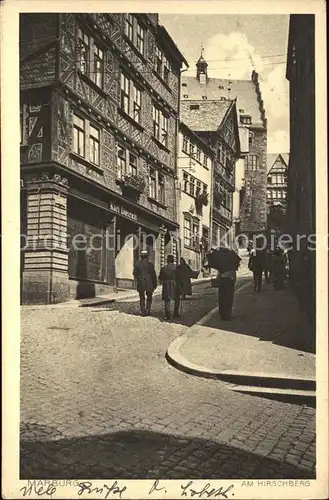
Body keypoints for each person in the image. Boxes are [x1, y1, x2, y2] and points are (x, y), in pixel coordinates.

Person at [133, 250, 157, 316]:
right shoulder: (150, 265)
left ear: (141, 257)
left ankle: (143, 310)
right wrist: (155, 284)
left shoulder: (138, 264)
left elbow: (134, 273)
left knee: (142, 297)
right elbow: (153, 275)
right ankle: (148, 310)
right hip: (149, 282)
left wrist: (139, 277)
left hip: (141, 282)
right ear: (147, 257)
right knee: (149, 296)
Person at [158, 255, 180, 320]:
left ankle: (168, 315)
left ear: (167, 260)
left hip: (166, 284)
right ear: (173, 260)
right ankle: (175, 313)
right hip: (175, 283)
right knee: (176, 299)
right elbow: (180, 277)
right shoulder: (177, 268)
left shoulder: (164, 268)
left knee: (167, 300)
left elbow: (160, 278)